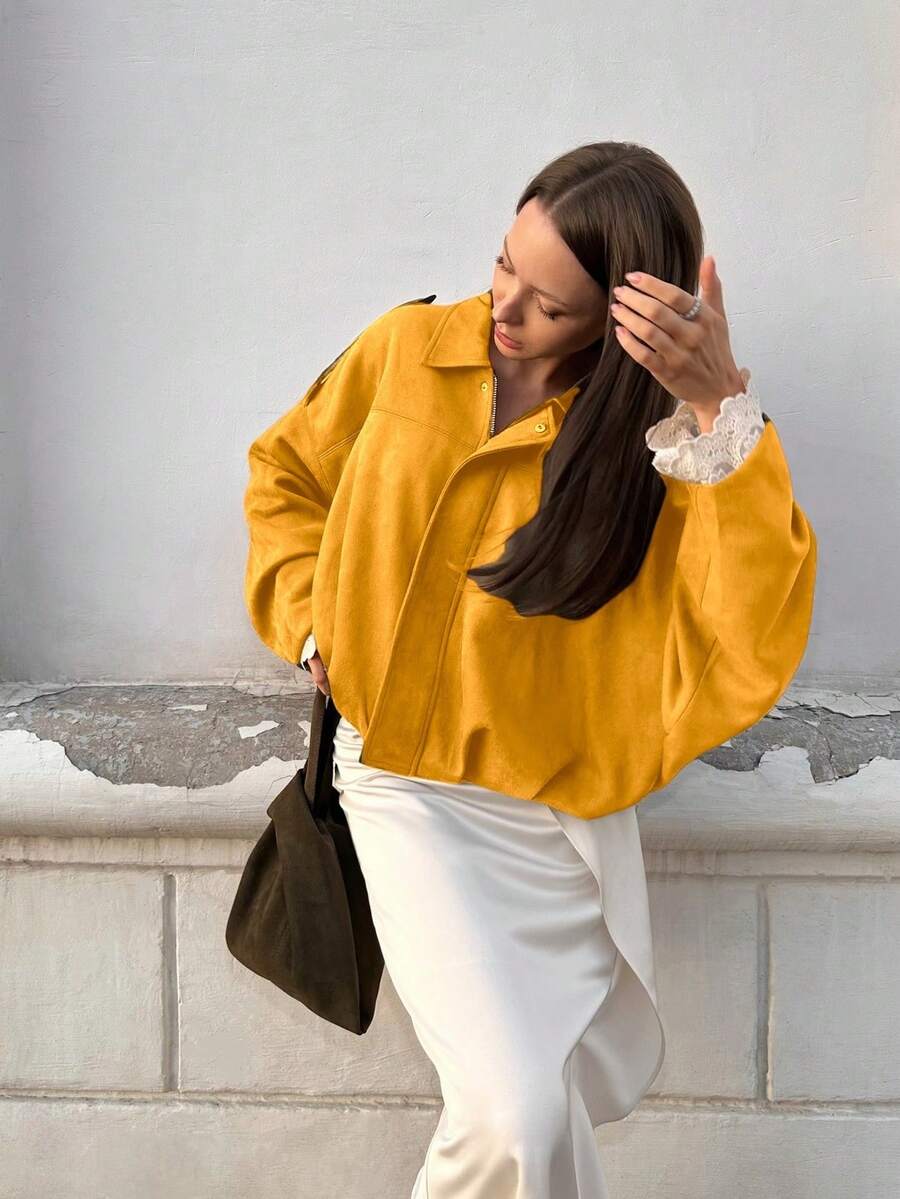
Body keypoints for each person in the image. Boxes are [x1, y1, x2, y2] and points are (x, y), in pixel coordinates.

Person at [242, 141, 817, 1198]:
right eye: (504, 263)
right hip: (405, 783)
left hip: (556, 813)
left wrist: (717, 410)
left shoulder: (662, 442)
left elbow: (744, 626)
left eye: (551, 305)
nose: (506, 307)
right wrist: (315, 620)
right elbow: (286, 474)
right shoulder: (407, 349)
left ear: (619, 316)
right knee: (515, 1110)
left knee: (539, 1114)